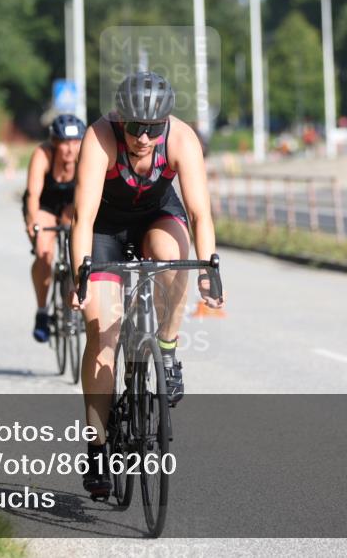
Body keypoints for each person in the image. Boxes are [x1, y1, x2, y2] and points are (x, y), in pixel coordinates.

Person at [71, 71, 224, 496]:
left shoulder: (181, 139)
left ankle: (169, 350)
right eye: (135, 127)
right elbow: (82, 217)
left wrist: (210, 269)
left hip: (155, 216)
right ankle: (98, 447)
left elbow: (200, 215)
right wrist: (82, 273)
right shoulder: (99, 137)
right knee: (103, 336)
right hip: (104, 227)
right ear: (120, 118)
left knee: (176, 260)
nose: (143, 137)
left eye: (153, 128)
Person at [23, 114, 86, 342]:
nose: (70, 149)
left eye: (75, 142)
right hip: (44, 204)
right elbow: (33, 195)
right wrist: (33, 222)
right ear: (54, 142)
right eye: (64, 142)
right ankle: (42, 312)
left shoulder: (85, 157)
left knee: (77, 246)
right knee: (44, 252)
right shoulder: (43, 155)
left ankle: (75, 292)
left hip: (72, 204)